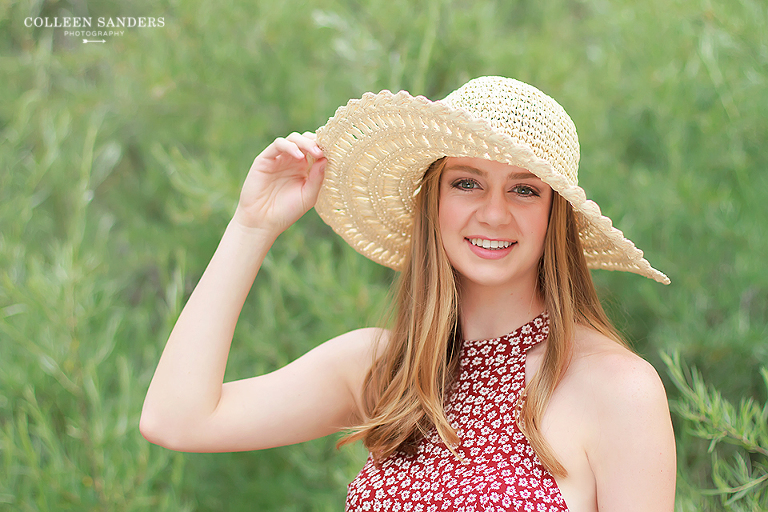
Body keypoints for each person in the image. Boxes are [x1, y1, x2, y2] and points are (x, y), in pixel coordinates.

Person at [140, 76, 676, 511]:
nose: (493, 212)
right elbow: (176, 419)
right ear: (433, 202)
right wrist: (252, 227)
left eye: (524, 189)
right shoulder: (386, 368)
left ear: (555, 217)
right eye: (466, 182)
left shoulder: (617, 390)